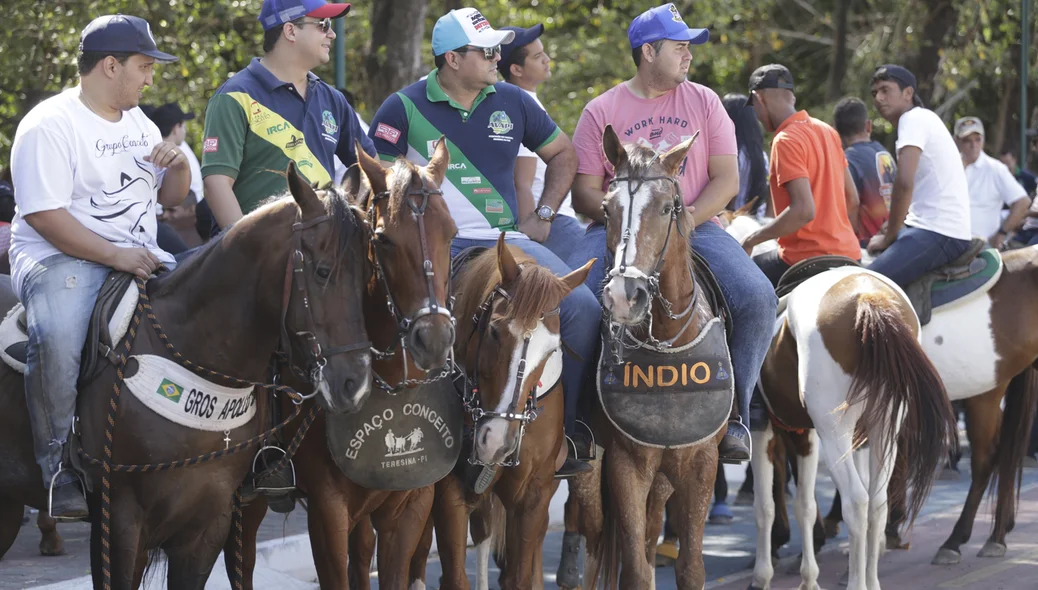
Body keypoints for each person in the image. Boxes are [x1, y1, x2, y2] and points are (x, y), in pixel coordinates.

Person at [366, 7, 599, 477]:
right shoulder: (402, 106)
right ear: (452, 58)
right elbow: (377, 186)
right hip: (435, 247)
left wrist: (544, 213)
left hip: (507, 241)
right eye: (486, 50)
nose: (497, 56)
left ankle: (572, 432)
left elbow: (563, 154)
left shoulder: (514, 99)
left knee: (583, 311)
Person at [569, 3, 777, 462]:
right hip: (619, 230)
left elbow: (727, 180)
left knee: (758, 298)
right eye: (679, 47)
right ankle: (577, 423)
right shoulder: (601, 109)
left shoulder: (704, 102)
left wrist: (682, 221)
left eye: (688, 48)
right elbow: (585, 192)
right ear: (648, 52)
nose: (688, 56)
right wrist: (630, 221)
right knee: (574, 305)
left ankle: (736, 415)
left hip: (696, 226)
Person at [9, 14, 187, 518]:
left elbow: (171, 200)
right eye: (144, 66)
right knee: (61, 333)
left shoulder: (139, 122)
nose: (151, 77)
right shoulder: (50, 124)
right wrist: (116, 256)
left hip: (138, 254)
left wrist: (180, 166)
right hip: (56, 256)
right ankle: (56, 469)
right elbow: (44, 216)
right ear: (111, 66)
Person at [201, 0, 374, 232]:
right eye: (323, 24)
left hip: (324, 257)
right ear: (290, 30)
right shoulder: (234, 96)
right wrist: (247, 248)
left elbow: (372, 167)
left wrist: (348, 217)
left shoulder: (333, 99)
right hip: (259, 257)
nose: (332, 34)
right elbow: (216, 184)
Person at [739, 64, 861, 286]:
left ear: (759, 98)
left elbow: (804, 210)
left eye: (754, 106)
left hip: (804, 260)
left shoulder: (785, 140)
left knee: (734, 282)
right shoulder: (828, 131)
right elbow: (852, 198)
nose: (756, 114)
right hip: (849, 255)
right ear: (792, 98)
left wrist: (751, 240)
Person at [865, 65, 972, 287]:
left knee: (866, 285)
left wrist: (889, 236)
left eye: (885, 90)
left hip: (940, 231)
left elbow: (904, 184)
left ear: (908, 93)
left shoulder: (912, 119)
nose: (879, 98)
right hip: (930, 227)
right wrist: (895, 226)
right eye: (875, 93)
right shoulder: (921, 119)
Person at [496, 22, 585, 258]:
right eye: (538, 56)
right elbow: (521, 182)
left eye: (544, 52)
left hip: (554, 217)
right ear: (516, 69)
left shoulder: (524, 100)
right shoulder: (519, 104)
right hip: (550, 222)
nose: (547, 59)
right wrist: (529, 241)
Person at [954, 117, 1029, 249]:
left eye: (978, 139)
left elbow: (1022, 202)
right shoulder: (948, 167)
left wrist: (1002, 233)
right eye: (967, 140)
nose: (974, 145)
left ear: (983, 139)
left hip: (981, 245)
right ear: (957, 141)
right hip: (948, 242)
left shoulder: (996, 169)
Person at [833, 96, 896, 247]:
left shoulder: (847, 161)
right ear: (868, 126)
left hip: (868, 245)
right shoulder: (884, 154)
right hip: (894, 238)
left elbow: (850, 204)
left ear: (836, 131)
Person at [143, 102, 202, 250]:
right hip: (180, 221)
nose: (185, 130)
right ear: (176, 128)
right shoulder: (179, 151)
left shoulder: (151, 148)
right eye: (183, 125)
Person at [721, 93, 769, 215]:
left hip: (730, 221)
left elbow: (728, 194)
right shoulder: (762, 156)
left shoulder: (729, 156)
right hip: (756, 218)